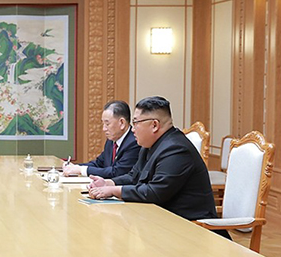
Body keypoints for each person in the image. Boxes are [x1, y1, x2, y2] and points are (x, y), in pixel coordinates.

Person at [87, 96, 230, 238]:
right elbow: (133, 176)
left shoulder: (176, 149)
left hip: (191, 229)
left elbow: (155, 192)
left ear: (154, 125)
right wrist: (108, 183)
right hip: (162, 222)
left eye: (136, 123)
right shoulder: (148, 145)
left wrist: (112, 190)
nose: (132, 130)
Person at [63, 100, 140, 178]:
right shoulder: (111, 141)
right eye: (103, 124)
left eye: (107, 124)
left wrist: (81, 170)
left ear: (122, 123)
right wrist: (74, 167)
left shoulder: (134, 142)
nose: (104, 129)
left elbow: (117, 172)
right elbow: (99, 163)